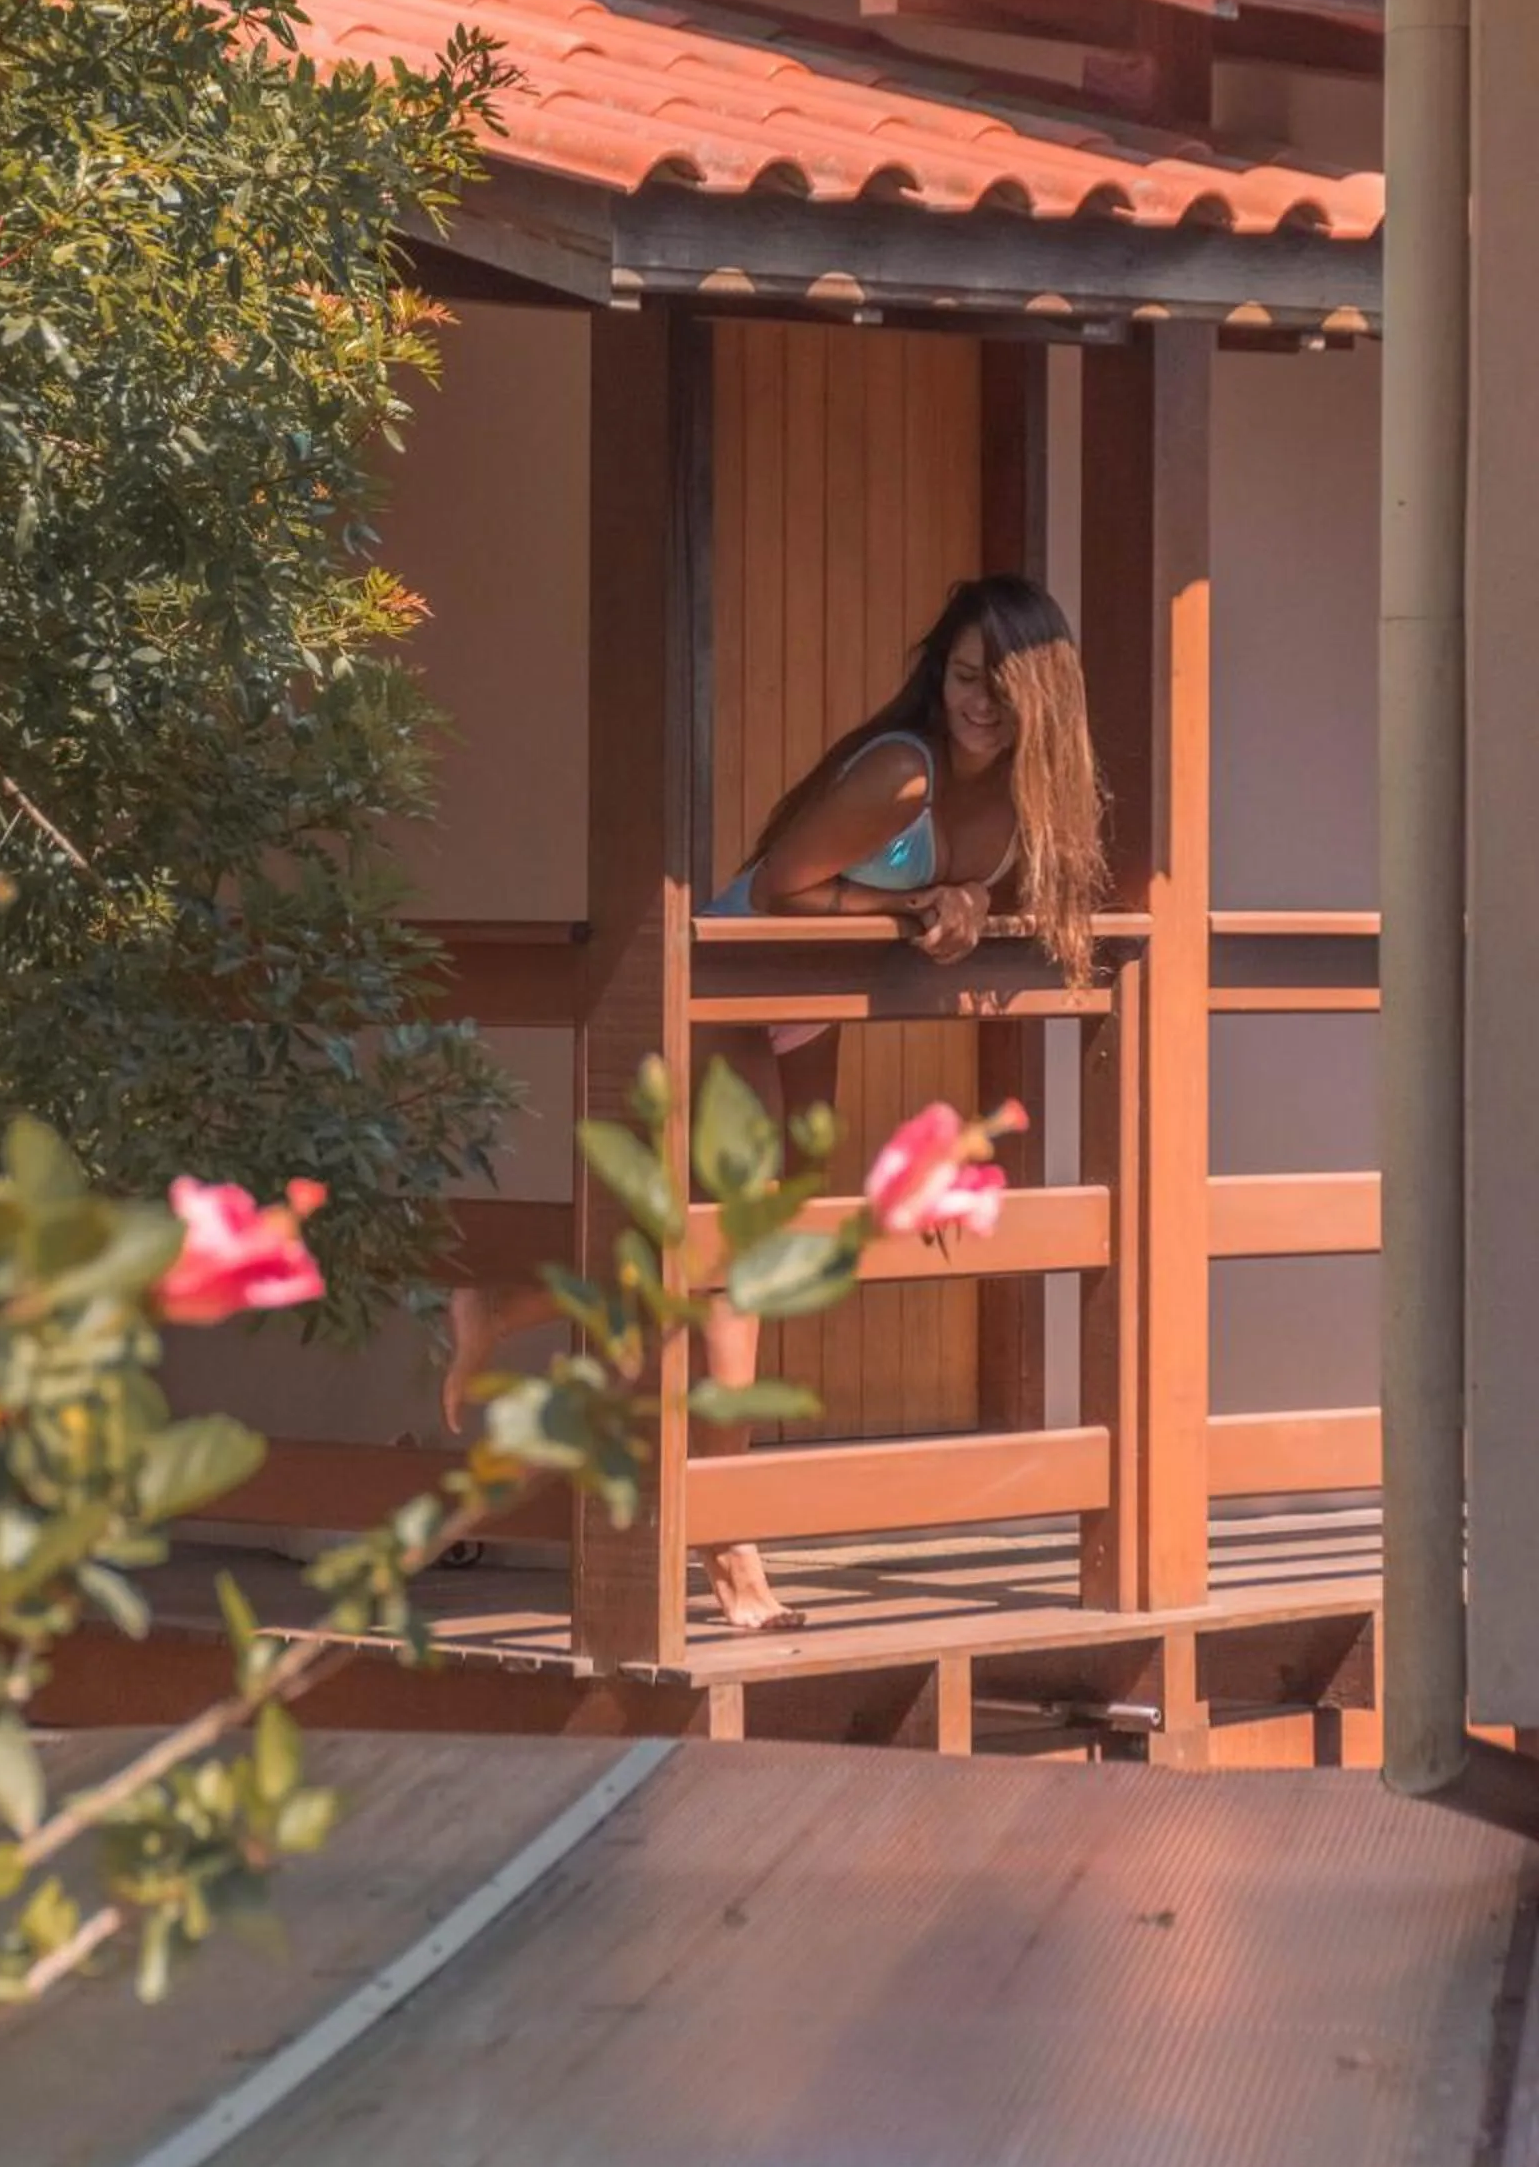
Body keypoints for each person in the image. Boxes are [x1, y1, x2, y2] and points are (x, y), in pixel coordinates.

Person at [442, 574, 1105, 1634]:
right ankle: (729, 1546)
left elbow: (1033, 903)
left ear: (1045, 690)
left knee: (756, 1243)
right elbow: (782, 882)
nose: (977, 700)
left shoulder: (1035, 792)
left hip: (805, 1003)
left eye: (999, 681)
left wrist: (975, 898)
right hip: (727, 992)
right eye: (961, 673)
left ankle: (507, 1306)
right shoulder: (900, 773)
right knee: (742, 1264)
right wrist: (917, 905)